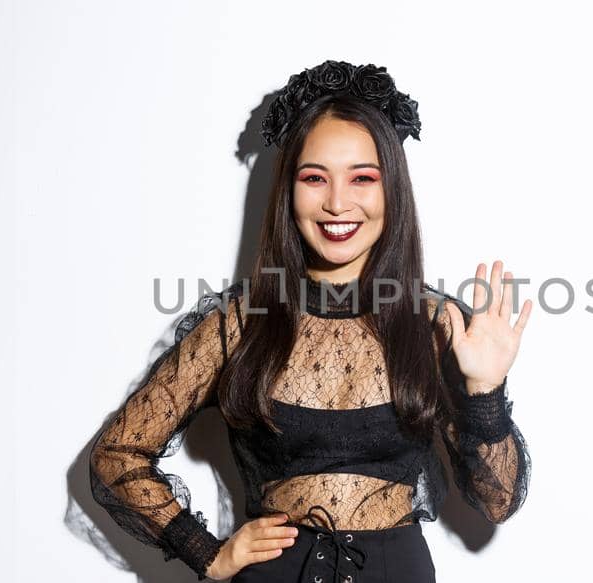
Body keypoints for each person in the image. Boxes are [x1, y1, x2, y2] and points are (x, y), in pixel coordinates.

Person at [89, 60, 532, 583]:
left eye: (362, 178)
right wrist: (206, 553)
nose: (337, 203)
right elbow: (117, 455)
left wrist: (483, 392)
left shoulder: (437, 324)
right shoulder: (239, 324)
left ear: (392, 191)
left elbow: (497, 502)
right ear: (288, 192)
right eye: (314, 178)